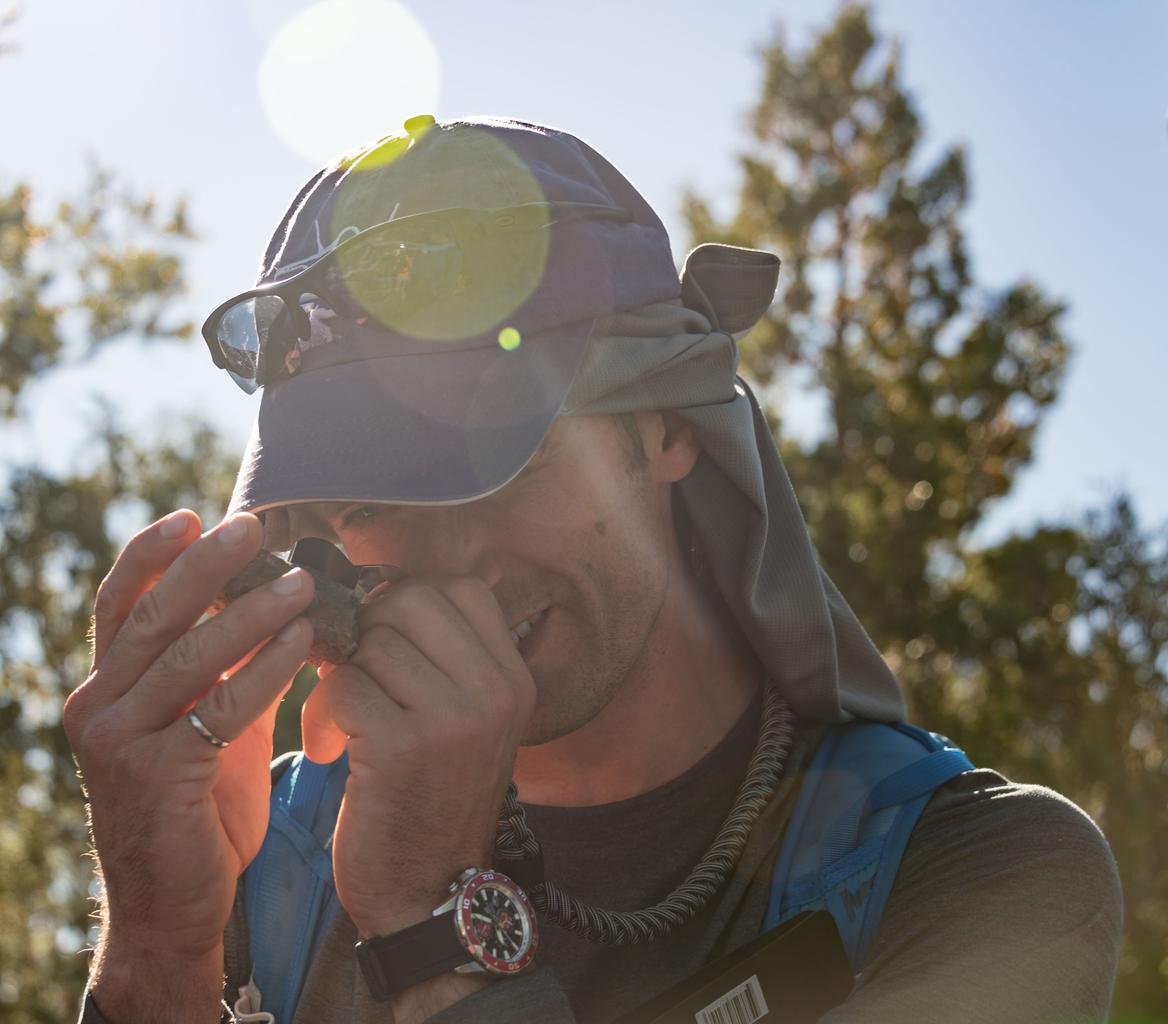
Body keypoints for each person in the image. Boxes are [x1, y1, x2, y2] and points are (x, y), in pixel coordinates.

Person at [65, 116, 1123, 1024]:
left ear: (664, 429)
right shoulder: (267, 861)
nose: (448, 567)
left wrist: (437, 931)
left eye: (495, 465)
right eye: (368, 504)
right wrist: (159, 948)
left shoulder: (973, 874)